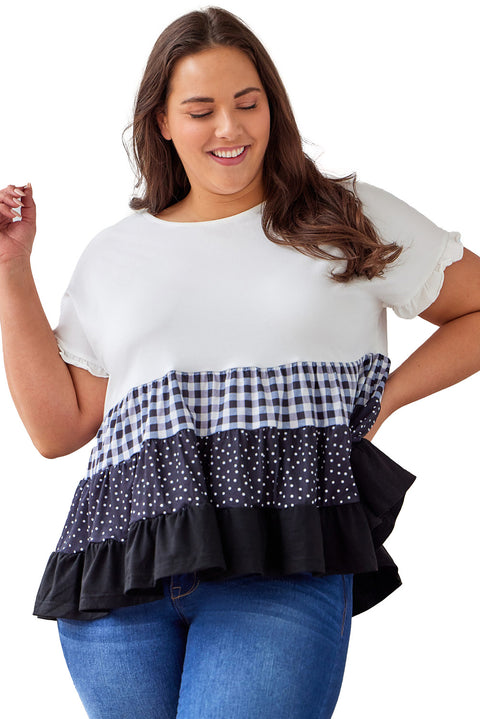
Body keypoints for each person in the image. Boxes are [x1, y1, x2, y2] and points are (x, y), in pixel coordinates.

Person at [1, 6, 479, 719]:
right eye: (201, 111)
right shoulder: (114, 255)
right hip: (121, 573)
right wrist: (12, 270)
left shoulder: (342, 216)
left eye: (248, 104)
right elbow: (58, 428)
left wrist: (385, 401)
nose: (230, 128)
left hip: (282, 552)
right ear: (162, 123)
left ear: (272, 108)